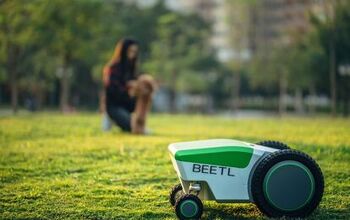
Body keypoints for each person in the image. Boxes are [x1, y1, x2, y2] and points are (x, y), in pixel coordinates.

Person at [102, 38, 156, 134]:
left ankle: (137, 123)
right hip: (114, 105)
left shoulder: (132, 68)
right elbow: (112, 90)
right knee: (129, 126)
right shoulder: (113, 68)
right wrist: (128, 87)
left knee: (145, 96)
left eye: (135, 52)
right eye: (130, 51)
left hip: (128, 103)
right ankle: (110, 117)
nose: (133, 54)